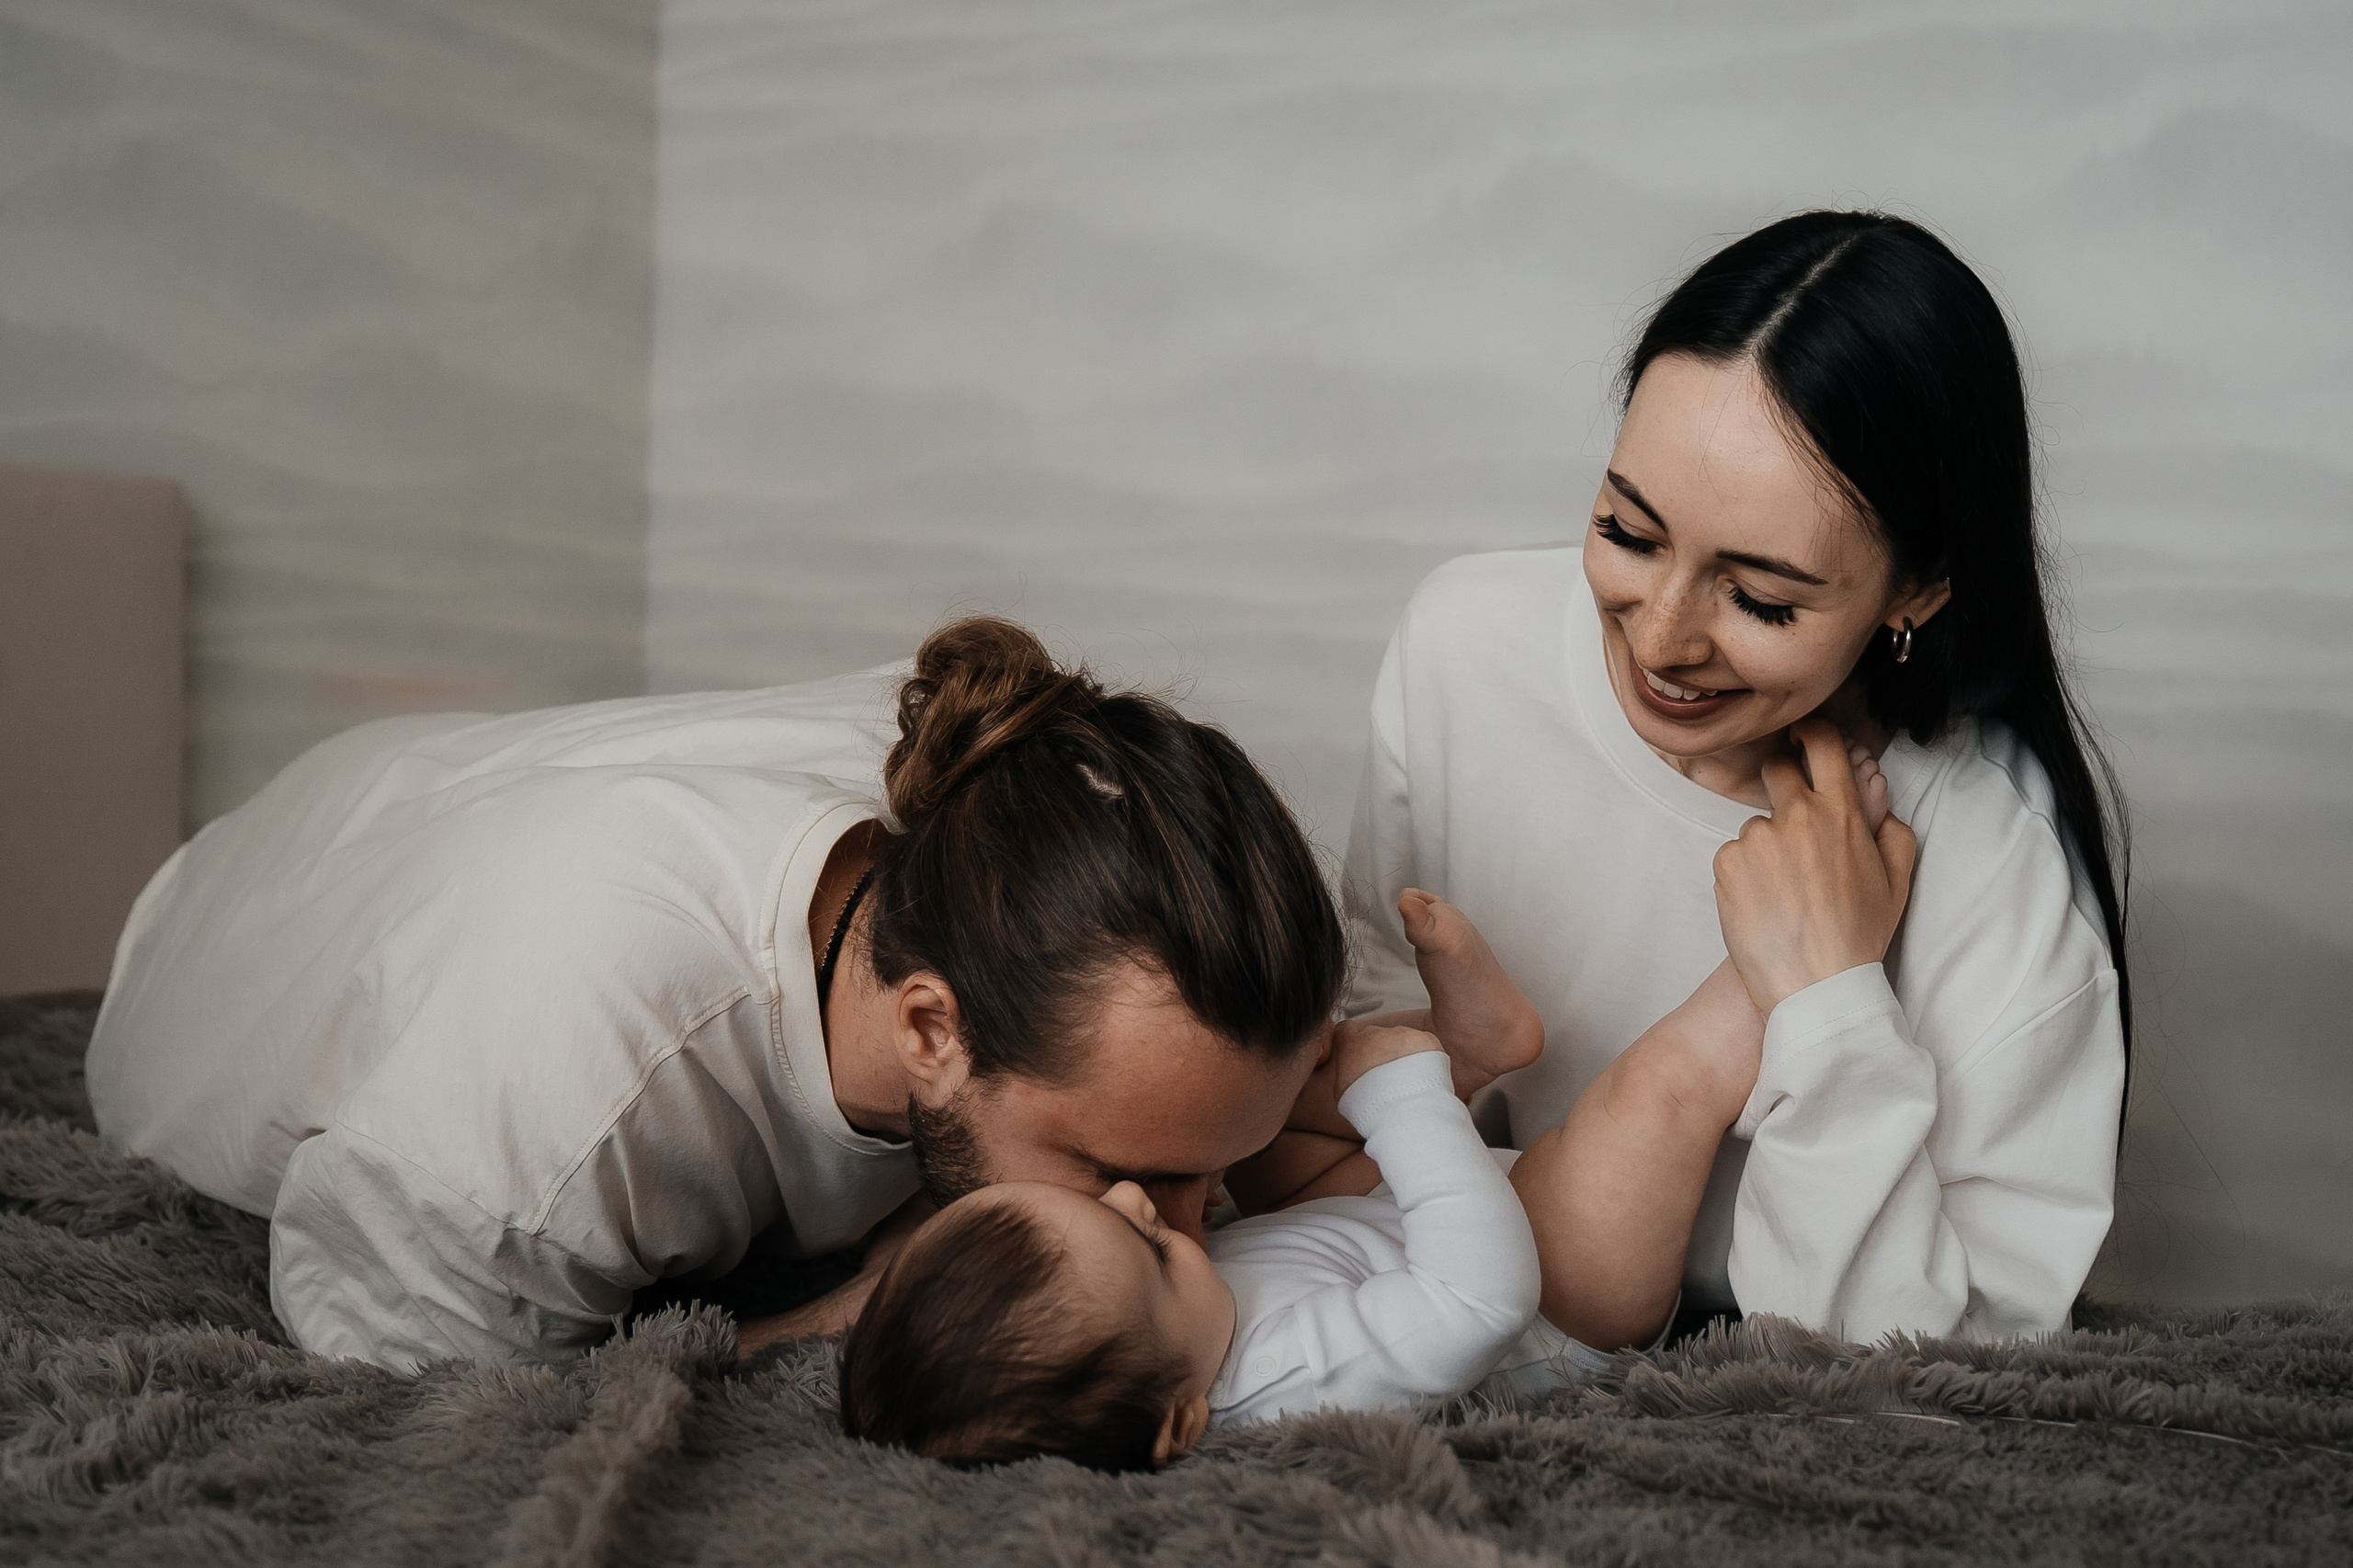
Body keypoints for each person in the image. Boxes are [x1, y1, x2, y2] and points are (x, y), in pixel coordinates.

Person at [87, 617, 1346, 1369]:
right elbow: (401, 1375)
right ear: (930, 1028)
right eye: (1135, 1167)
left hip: (454, 781)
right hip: (211, 946)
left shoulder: (1009, 787)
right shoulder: (547, 1128)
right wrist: (832, 1316)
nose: (1191, 1230)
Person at [1345, 210, 2131, 1346]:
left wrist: (1827, 998)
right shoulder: (1462, 649)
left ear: (1916, 591)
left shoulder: (1985, 856)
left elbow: (1960, 1370)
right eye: (1626, 528)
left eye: (1761, 600)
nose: (1661, 639)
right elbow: (1345, 1121)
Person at [837, 728, 1909, 1472]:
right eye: (1150, 1247)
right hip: (1555, 1286)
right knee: (1659, 1092)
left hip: (1380, 1222)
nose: (1143, 1207)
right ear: (1180, 1421)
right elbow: (1481, 1288)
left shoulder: (1158, 1333)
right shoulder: (1297, 1376)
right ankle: (1797, 947)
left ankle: (1474, 1054)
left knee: (1247, 1148)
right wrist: (1405, 1097)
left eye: (1099, 1203)